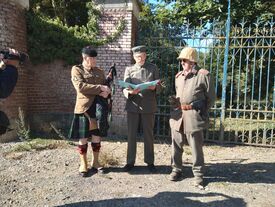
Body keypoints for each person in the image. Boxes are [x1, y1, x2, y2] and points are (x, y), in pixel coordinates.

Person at [169, 47, 216, 187]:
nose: (182, 63)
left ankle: (198, 175)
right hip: (178, 115)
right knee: (176, 145)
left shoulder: (203, 75)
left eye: (185, 60)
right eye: (181, 60)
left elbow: (211, 98)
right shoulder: (178, 76)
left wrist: (200, 112)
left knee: (196, 147)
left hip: (193, 115)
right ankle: (176, 170)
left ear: (193, 61)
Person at [69, 46, 111, 177]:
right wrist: (100, 88)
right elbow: (80, 87)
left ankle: (96, 162)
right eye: (92, 58)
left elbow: (106, 87)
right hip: (84, 107)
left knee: (97, 135)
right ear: (85, 58)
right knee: (83, 137)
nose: (94, 61)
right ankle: (83, 164)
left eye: (95, 58)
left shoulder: (99, 71)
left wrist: (107, 92)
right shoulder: (77, 70)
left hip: (99, 108)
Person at [122, 45, 161, 172]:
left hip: (149, 106)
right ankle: (130, 162)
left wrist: (154, 87)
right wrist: (129, 92)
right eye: (138, 56)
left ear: (146, 55)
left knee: (148, 135)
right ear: (134, 57)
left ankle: (150, 162)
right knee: (131, 135)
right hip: (133, 106)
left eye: (143, 55)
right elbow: (124, 88)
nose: (141, 58)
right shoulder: (129, 69)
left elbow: (160, 87)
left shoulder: (153, 68)